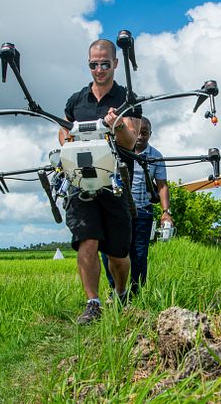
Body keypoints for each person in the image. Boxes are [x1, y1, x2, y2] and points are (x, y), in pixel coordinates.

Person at [59, 38, 142, 325]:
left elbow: (132, 142)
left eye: (105, 64)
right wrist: (67, 142)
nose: (99, 70)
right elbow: (63, 130)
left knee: (118, 252)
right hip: (81, 182)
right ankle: (92, 303)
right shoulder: (76, 100)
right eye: (94, 65)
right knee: (87, 240)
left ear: (116, 64)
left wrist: (118, 124)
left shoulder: (127, 99)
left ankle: (120, 294)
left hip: (115, 182)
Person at [101, 117, 172, 296]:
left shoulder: (155, 156)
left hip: (142, 211)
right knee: (110, 251)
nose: (140, 137)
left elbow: (162, 185)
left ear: (150, 134)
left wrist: (166, 212)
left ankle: (136, 292)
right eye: (137, 133)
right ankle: (116, 290)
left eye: (145, 133)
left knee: (139, 255)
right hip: (117, 210)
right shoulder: (116, 150)